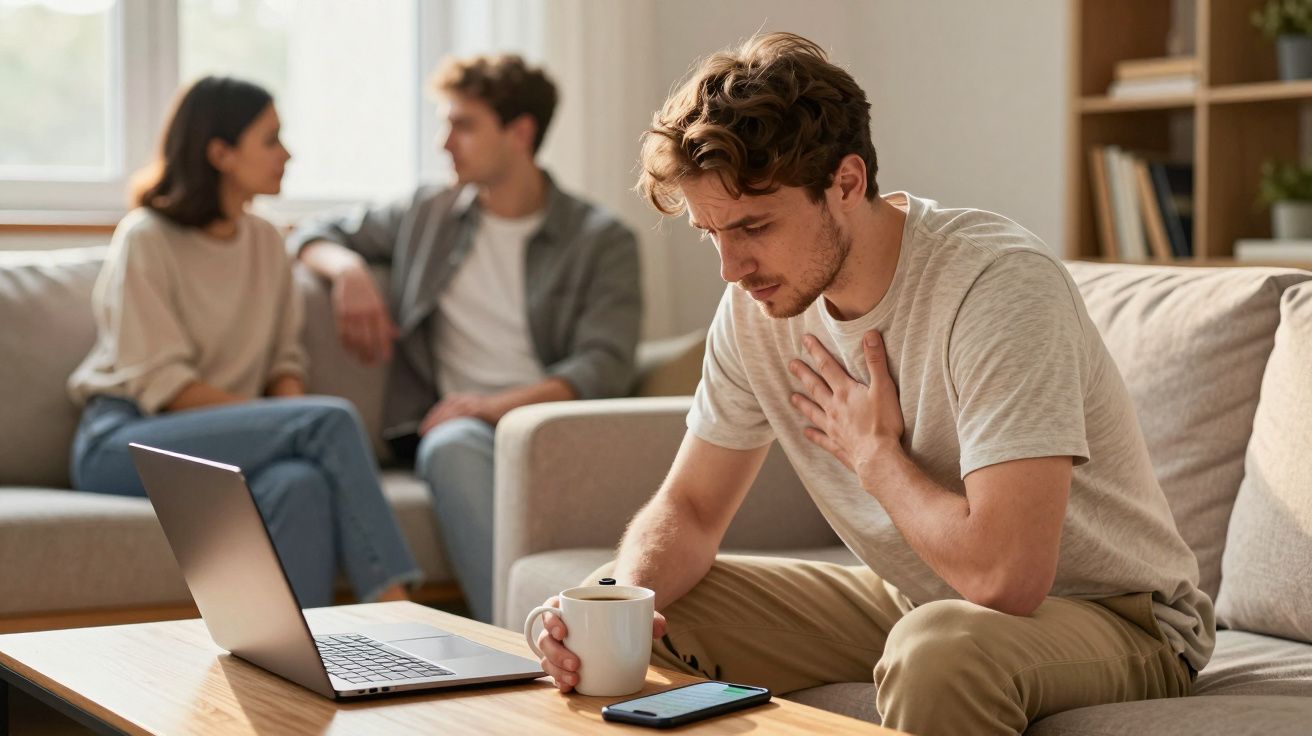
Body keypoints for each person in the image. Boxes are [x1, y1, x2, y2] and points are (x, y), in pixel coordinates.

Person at [531, 32, 1214, 735]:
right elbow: (694, 508)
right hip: (919, 596)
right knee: (620, 610)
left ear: (848, 183)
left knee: (940, 653)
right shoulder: (756, 308)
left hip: (1118, 617)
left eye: (754, 226)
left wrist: (875, 458)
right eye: (712, 234)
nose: (732, 267)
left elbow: (1007, 577)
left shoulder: (996, 286)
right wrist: (614, 602)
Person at [289, 54, 641, 624]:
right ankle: (521, 640)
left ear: (520, 132)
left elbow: (605, 365)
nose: (444, 142)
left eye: (464, 125)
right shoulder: (428, 214)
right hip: (457, 433)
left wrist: (490, 406)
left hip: (551, 427)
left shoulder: (600, 239)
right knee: (450, 443)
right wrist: (349, 273)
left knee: (456, 435)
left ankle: (531, 646)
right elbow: (314, 233)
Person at [67, 76, 422, 609]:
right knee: (328, 419)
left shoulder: (265, 241)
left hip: (222, 442)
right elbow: (168, 388)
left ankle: (294, 670)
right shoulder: (146, 238)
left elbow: (284, 363)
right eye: (271, 140)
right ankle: (396, 609)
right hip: (124, 440)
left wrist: (282, 423)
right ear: (220, 153)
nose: (287, 154)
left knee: (299, 482)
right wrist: (289, 425)